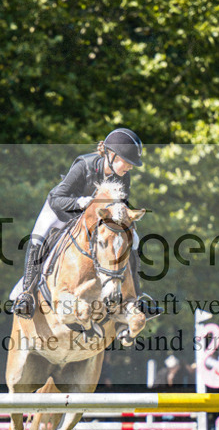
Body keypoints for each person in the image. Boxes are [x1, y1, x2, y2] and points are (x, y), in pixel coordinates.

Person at [11, 128, 156, 320]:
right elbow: (56, 197)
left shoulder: (123, 175)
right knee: (39, 236)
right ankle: (26, 294)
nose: (130, 167)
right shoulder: (84, 165)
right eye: (127, 162)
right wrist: (81, 202)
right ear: (112, 155)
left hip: (96, 220)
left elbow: (121, 204)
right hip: (63, 211)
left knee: (133, 239)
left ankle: (135, 297)